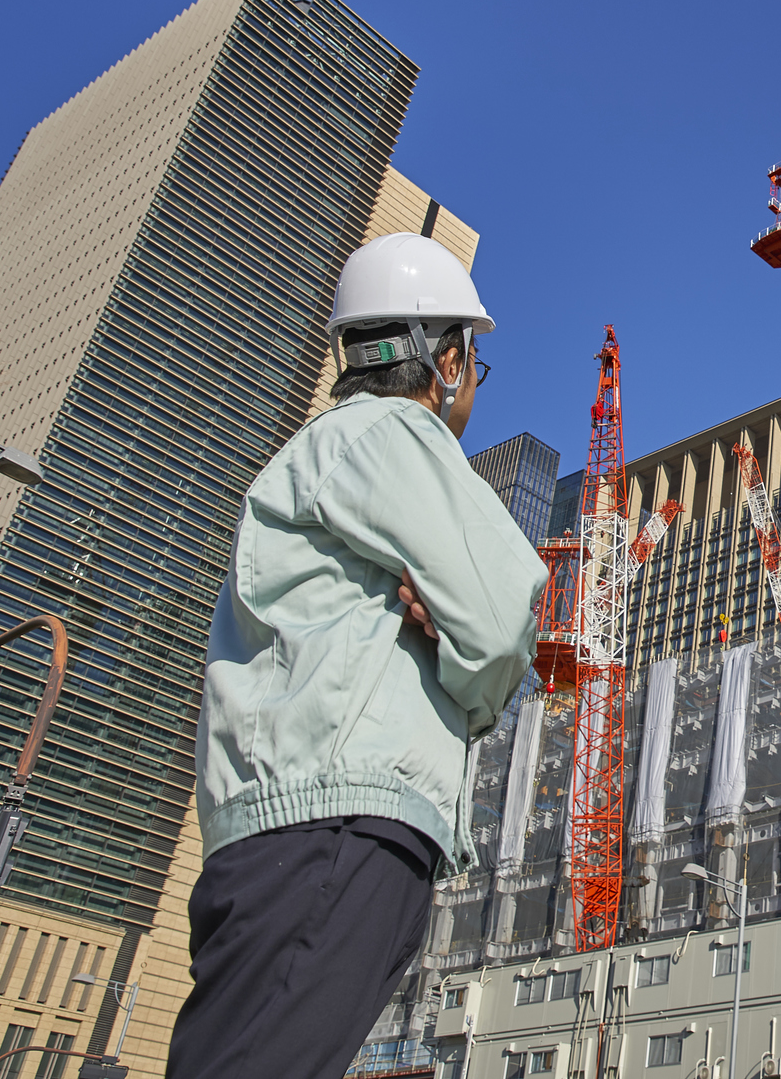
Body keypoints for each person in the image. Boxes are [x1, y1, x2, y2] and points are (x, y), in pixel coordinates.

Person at [167, 233, 547, 1079]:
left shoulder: (311, 457)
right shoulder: (393, 434)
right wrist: (471, 677)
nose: (471, 386)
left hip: (290, 825)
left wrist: (436, 620)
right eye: (475, 367)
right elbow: (500, 612)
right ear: (447, 361)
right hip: (340, 823)